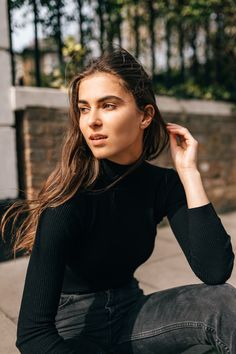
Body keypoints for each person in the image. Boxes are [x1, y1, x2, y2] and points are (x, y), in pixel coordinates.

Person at [1, 47, 235, 354]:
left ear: (145, 115)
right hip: (73, 329)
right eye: (84, 109)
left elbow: (215, 272)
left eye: (108, 106)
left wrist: (189, 173)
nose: (92, 121)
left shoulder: (162, 184)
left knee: (222, 303)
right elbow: (33, 335)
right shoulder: (69, 201)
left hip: (131, 312)